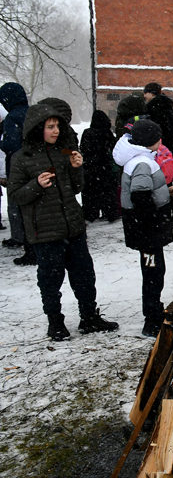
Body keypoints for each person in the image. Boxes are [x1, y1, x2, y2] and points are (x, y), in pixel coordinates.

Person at [8, 102, 118, 340]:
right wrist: (35, 185)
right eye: (50, 127)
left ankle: (89, 317)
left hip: (73, 226)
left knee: (84, 275)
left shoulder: (64, 152)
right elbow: (16, 195)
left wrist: (77, 168)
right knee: (50, 280)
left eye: (57, 126)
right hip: (45, 231)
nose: (55, 131)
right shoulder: (21, 158)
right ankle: (55, 322)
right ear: (38, 128)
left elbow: (76, 187)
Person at [114, 119, 173, 337]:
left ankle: (154, 309)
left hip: (146, 230)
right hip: (147, 232)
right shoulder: (142, 163)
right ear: (151, 141)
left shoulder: (141, 159)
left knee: (154, 270)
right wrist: (153, 224)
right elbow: (140, 197)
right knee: (152, 272)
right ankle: (151, 318)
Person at [143, 82, 173, 227]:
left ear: (153, 94)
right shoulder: (172, 112)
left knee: (156, 186)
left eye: (146, 92)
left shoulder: (152, 112)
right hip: (170, 156)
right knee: (168, 184)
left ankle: (163, 217)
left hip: (156, 154)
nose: (144, 96)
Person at [0, 83, 31, 260]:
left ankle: (20, 236)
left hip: (17, 167)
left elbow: (10, 144)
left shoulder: (12, 118)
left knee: (16, 204)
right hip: (35, 165)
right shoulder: (32, 112)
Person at [80, 110, 120, 223]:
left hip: (90, 166)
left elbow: (83, 148)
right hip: (104, 165)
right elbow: (114, 147)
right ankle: (110, 212)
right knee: (107, 191)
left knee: (91, 191)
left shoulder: (87, 132)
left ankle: (91, 213)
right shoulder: (107, 133)